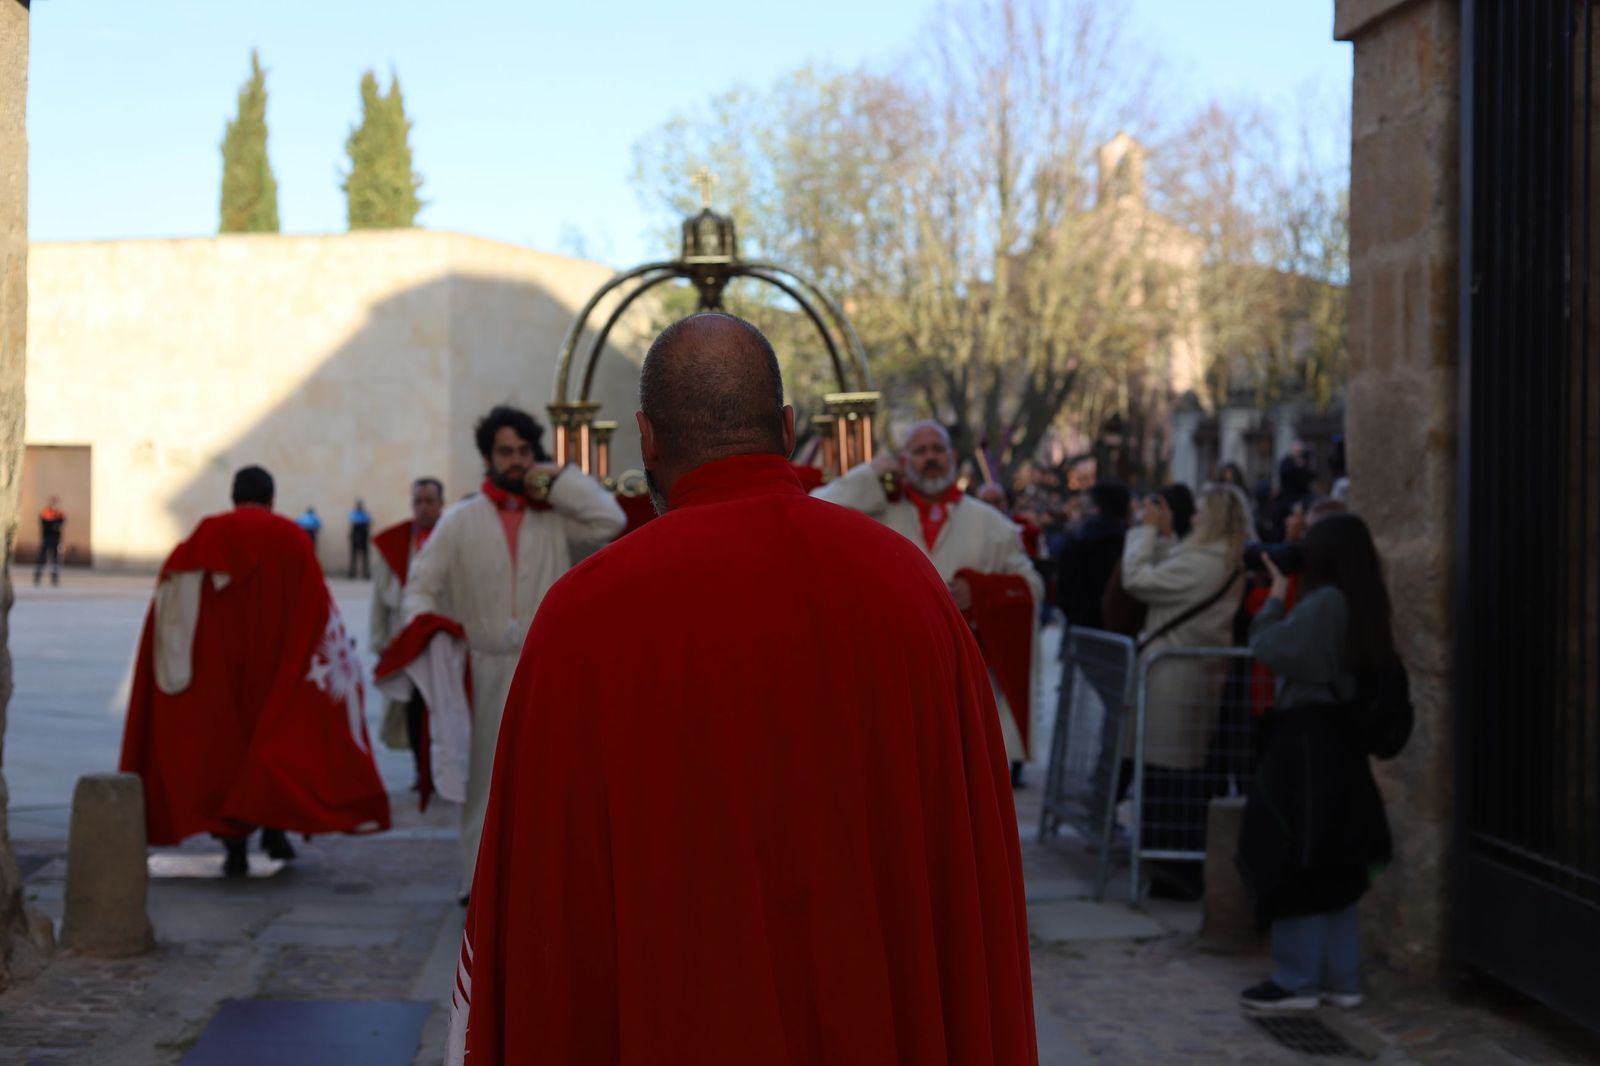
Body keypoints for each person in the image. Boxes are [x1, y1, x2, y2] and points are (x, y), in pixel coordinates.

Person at [449, 312, 1036, 1065]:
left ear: (646, 439)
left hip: (675, 1019)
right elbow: (964, 856)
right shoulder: (910, 587)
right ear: (787, 429)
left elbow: (545, 891)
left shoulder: (581, 615)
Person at [393, 405, 626, 898]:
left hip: (545, 668)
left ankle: (541, 880)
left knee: (549, 776)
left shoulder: (556, 519)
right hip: (481, 669)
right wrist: (428, 632)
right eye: (506, 452)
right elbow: (420, 586)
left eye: (523, 451)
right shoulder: (459, 521)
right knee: (483, 781)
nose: (516, 461)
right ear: (488, 457)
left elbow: (610, 519)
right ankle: (477, 884)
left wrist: (558, 478)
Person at [119, 466, 391, 876]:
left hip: (219, 669)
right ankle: (275, 832)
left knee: (225, 751)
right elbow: (317, 609)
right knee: (277, 742)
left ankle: (235, 848)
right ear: (271, 498)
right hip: (278, 666)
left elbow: (170, 605)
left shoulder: (206, 535)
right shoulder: (292, 537)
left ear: (233, 497)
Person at [814, 421, 1044, 786]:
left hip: (963, 686)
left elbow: (1032, 586)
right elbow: (814, 508)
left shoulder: (991, 523)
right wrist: (870, 473)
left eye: (937, 450)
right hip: (891, 683)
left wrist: (980, 591)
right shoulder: (875, 512)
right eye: (920, 451)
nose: (931, 458)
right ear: (903, 461)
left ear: (953, 456)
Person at [1238, 513, 1395, 1014]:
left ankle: (1297, 979)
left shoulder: (1326, 603)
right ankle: (1340, 978)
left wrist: (1277, 592)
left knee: (1298, 857)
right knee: (1336, 859)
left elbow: (1273, 647)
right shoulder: (1365, 600)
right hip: (1340, 742)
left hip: (1307, 741)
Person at [1119, 482, 1252, 898]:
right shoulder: (1211, 557)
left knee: (1170, 782)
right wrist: (1159, 533)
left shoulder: (1208, 562)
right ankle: (1165, 868)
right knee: (1165, 777)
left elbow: (1137, 578)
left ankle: (1173, 874)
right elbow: (1165, 566)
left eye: (1199, 512)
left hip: (1176, 681)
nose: (1192, 518)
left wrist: (1144, 530)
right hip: (1179, 677)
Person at [369, 478, 445, 784]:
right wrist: (379, 641)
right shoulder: (397, 543)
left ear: (441, 504)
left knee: (444, 707)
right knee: (413, 705)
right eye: (418, 502)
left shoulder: (452, 536)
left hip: (442, 636)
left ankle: (445, 769)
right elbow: (379, 599)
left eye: (429, 501)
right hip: (406, 638)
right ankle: (421, 769)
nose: (423, 508)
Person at [1056, 481, 1129, 631]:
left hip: (1079, 627)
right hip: (1119, 629)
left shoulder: (1075, 540)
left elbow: (1063, 588)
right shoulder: (1131, 545)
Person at [34, 496, 64, 587]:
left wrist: (54, 524)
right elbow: (46, 524)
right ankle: (37, 577)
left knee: (55, 559)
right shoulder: (45, 513)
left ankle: (54, 578)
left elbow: (60, 523)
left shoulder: (59, 513)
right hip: (46, 538)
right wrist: (54, 524)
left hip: (55, 539)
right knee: (41, 558)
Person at [348, 499, 372, 579]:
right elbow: (352, 520)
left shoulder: (365, 514)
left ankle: (366, 573)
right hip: (356, 533)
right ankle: (352, 573)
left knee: (365, 555)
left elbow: (368, 521)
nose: (359, 507)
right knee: (353, 555)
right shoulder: (353, 513)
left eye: (360, 505)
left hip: (363, 533)